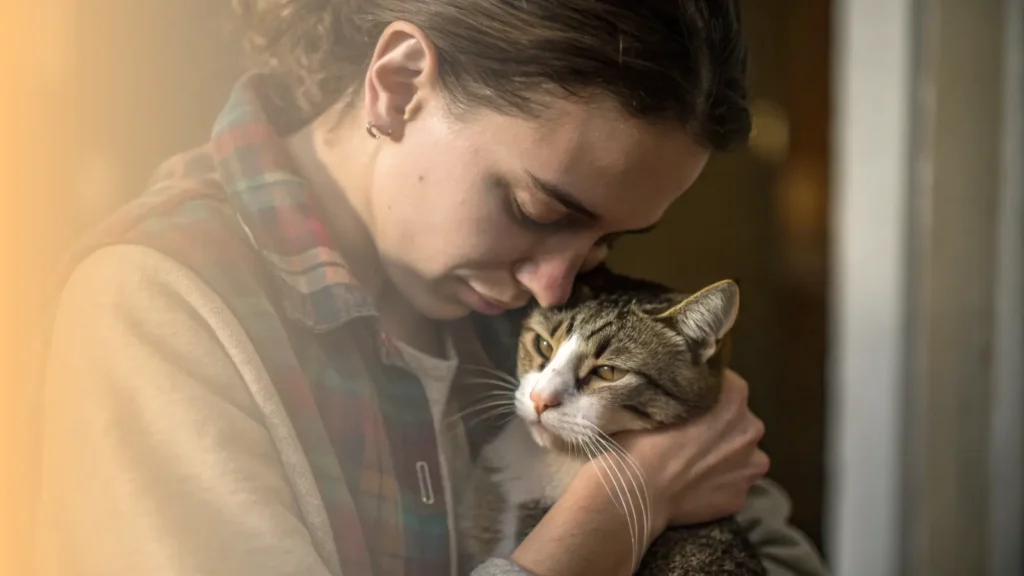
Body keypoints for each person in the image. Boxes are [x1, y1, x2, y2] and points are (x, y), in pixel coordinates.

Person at [35, 1, 829, 575]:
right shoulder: (155, 306)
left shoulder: (571, 311)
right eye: (534, 208)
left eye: (607, 240)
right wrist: (625, 507)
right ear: (400, 83)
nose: (556, 284)